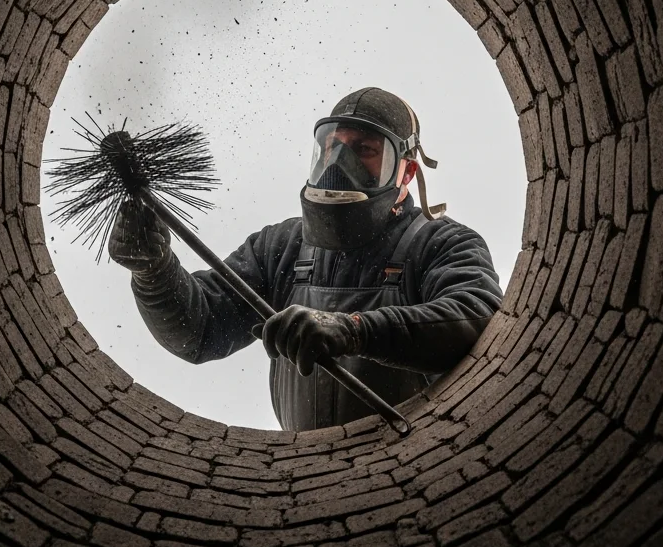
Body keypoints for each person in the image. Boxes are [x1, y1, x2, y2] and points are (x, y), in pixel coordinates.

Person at [108, 87, 503, 430]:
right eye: (332, 148)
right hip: (306, 466)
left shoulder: (441, 242)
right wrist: (154, 273)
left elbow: (476, 318)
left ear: (405, 172)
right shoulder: (282, 246)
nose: (337, 166)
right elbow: (200, 331)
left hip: (411, 459)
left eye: (364, 150)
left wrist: (353, 330)